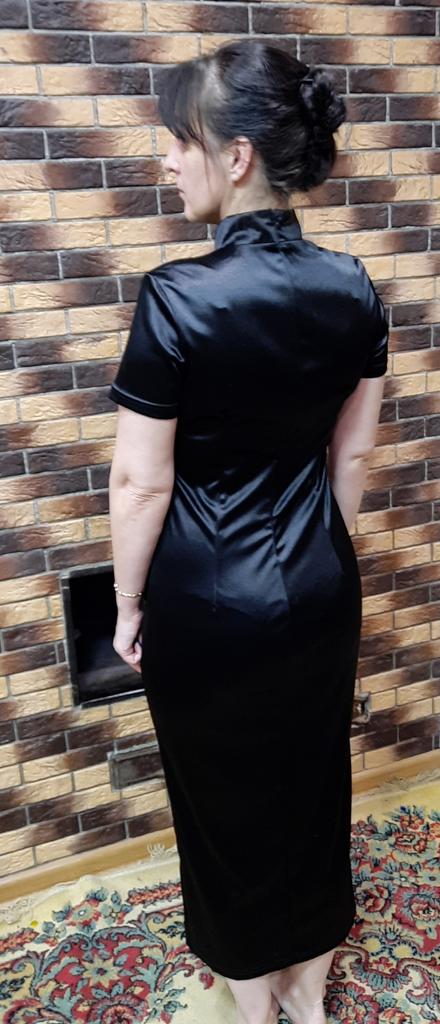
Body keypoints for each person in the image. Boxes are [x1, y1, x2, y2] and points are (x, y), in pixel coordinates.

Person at [108, 38, 388, 1024]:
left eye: (178, 142)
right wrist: (316, 562)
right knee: (311, 779)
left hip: (205, 596)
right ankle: (307, 983)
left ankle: (253, 990)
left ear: (234, 157)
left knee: (221, 796)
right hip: (318, 582)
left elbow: (141, 483)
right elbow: (352, 456)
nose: (166, 160)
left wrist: (127, 604)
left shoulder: (176, 296)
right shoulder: (354, 286)